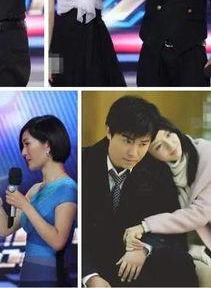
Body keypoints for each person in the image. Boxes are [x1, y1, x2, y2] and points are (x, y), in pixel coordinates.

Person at [82, 95, 198, 287]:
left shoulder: (157, 169)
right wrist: (89, 276)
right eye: (127, 141)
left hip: (138, 267)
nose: (133, 153)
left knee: (180, 262)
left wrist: (144, 247)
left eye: (143, 144)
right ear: (109, 132)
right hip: (94, 265)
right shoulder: (83, 162)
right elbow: (77, 232)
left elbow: (175, 231)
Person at [0, 115, 77, 286]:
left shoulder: (68, 187)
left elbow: (58, 241)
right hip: (28, 276)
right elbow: (5, 229)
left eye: (27, 144)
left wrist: (25, 205)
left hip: (52, 278)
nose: (23, 152)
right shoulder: (35, 189)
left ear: (47, 145)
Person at [124, 116, 211, 286]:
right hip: (184, 244)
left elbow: (199, 214)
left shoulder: (207, 157)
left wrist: (145, 225)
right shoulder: (156, 172)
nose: (171, 145)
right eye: (159, 146)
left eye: (169, 135)